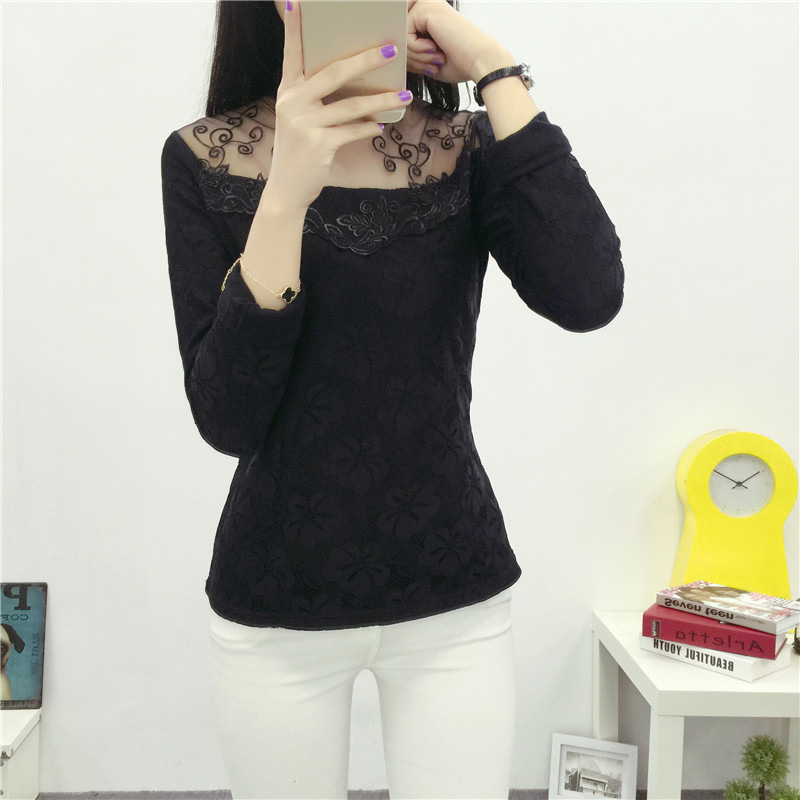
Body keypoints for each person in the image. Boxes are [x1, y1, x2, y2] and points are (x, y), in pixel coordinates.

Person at [161, 1, 624, 797]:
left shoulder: (463, 148)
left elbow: (588, 294)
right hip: (277, 591)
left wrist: (495, 69)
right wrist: (285, 195)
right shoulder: (205, 157)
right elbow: (228, 418)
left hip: (451, 590)